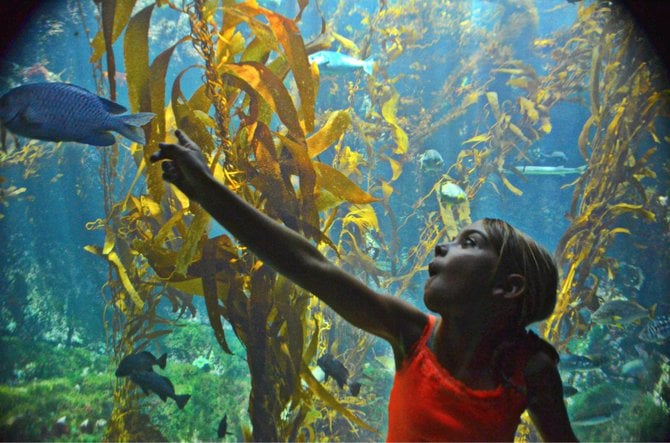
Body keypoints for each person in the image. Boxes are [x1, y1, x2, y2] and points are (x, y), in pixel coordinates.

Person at [150, 130, 578, 442]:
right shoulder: (411, 334)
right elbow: (306, 263)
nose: (442, 244)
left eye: (470, 242)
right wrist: (205, 188)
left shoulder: (530, 370)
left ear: (508, 288)